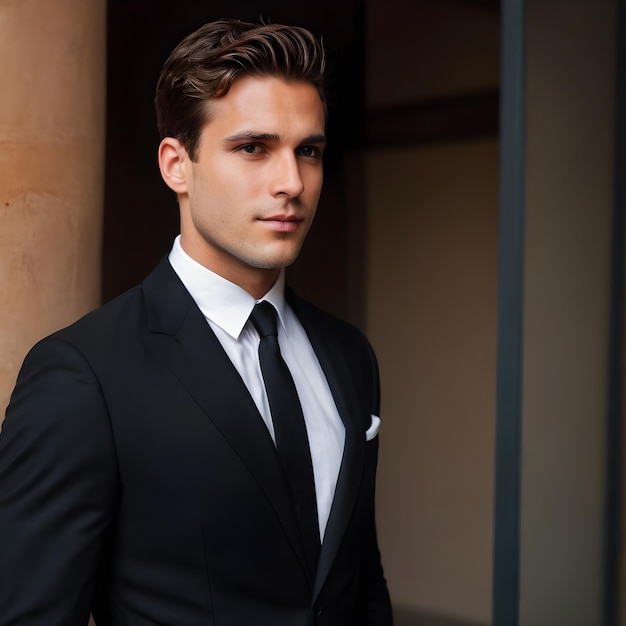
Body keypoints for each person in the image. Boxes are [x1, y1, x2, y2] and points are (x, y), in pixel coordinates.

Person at [0, 18, 392, 626]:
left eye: (307, 151)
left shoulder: (348, 356)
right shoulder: (84, 377)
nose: (292, 183)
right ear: (176, 165)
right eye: (253, 148)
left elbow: (359, 579)